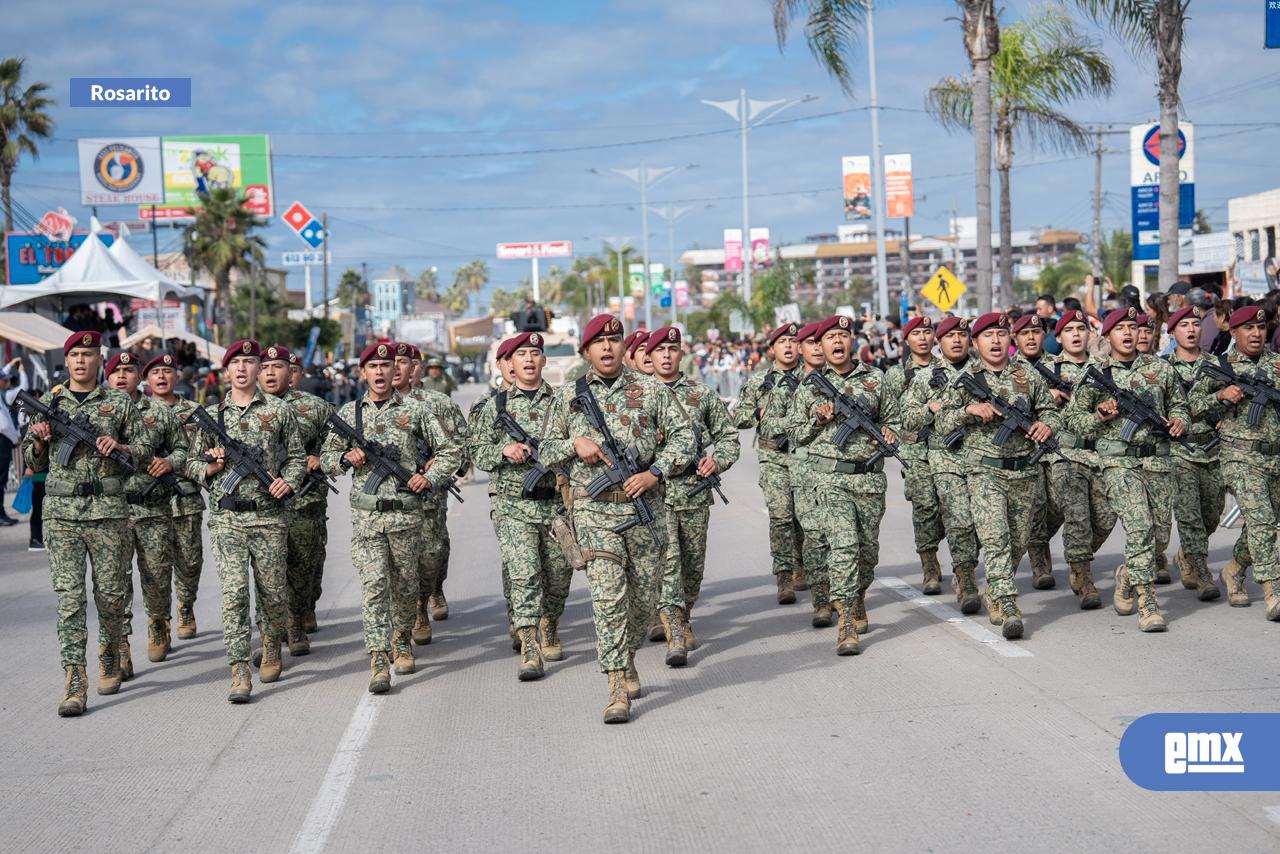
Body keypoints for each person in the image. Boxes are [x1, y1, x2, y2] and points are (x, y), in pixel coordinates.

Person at [539, 314, 694, 724]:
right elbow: (544, 449)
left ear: (625, 348)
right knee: (608, 600)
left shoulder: (650, 390)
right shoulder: (565, 398)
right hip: (593, 511)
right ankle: (615, 687)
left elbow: (685, 437)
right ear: (586, 351)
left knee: (642, 601)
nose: (607, 348)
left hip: (645, 509)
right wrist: (576, 442)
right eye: (599, 342)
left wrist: (655, 472)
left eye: (615, 341)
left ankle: (626, 657)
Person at [321, 342, 463, 693]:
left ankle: (402, 636)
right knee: (372, 588)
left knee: (404, 587)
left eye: (387, 366)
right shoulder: (350, 413)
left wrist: (428, 477)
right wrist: (345, 459)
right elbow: (325, 459)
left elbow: (451, 451)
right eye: (374, 367)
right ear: (363, 372)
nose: (382, 372)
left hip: (406, 516)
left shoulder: (416, 410)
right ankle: (378, 658)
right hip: (367, 518)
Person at [22, 331, 151, 717]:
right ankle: (75, 680)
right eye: (74, 355)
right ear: (67, 361)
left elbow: (144, 449)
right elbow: (34, 462)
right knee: (69, 599)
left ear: (99, 359)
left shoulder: (119, 403)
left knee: (112, 596)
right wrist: (41, 442)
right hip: (62, 513)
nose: (80, 361)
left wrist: (123, 448)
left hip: (108, 511)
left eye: (88, 354)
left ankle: (111, 652)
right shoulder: (50, 402)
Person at [185, 339, 305, 703]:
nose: (242, 369)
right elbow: (189, 464)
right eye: (235, 363)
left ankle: (270, 645)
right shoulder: (212, 416)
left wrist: (289, 479)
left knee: (271, 593)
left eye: (249, 362)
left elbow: (297, 457)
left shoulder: (280, 412)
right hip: (227, 518)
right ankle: (239, 669)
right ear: (226, 372)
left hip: (269, 516)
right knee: (234, 594)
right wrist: (211, 466)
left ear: (258, 369)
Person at [1064, 306, 1188, 633]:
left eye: (1133, 327)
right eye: (1121, 329)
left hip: (1158, 460)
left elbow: (1179, 406)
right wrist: (1100, 416)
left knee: (1160, 536)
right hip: (1118, 461)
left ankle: (1127, 576)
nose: (1129, 333)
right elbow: (1074, 421)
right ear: (1107, 336)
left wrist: (1179, 421)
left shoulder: (1160, 369)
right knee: (1141, 527)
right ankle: (1148, 603)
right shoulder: (1096, 374)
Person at [936, 313, 1059, 640]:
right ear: (976, 343)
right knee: (996, 538)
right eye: (988, 336)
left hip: (1024, 471)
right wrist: (969, 411)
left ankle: (995, 588)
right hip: (984, 471)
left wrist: (1047, 425)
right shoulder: (965, 379)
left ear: (1010, 340)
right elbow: (942, 422)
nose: (995, 341)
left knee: (1019, 540)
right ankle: (1008, 604)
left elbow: (1050, 412)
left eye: (1001, 334)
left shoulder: (1028, 376)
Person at [786, 314, 898, 655]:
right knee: (844, 545)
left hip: (868, 478)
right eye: (830, 337)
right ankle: (846, 621)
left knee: (866, 552)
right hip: (829, 479)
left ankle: (858, 595)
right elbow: (793, 432)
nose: (837, 342)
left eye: (843, 336)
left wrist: (891, 432)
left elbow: (893, 418)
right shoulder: (810, 386)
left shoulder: (876, 379)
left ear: (853, 342)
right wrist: (818, 418)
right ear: (819, 345)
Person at [470, 331, 572, 679]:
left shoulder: (564, 402)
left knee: (558, 575)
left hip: (558, 505)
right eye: (521, 355)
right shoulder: (493, 408)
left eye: (535, 354)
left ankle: (550, 624)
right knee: (525, 574)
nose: (528, 360)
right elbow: (477, 452)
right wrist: (503, 450)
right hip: (513, 505)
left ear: (544, 361)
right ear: (509, 364)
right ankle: (530, 647)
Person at [647, 326, 740, 666]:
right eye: (661, 350)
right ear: (649, 356)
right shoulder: (638, 396)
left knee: (692, 568)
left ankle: (683, 615)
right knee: (668, 562)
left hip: (695, 492)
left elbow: (728, 435)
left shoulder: (701, 395)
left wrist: (717, 460)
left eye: (673, 349)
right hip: (655, 493)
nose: (667, 355)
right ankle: (673, 631)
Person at [1188, 305, 1280, 619]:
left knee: (1263, 526)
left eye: (1261, 328)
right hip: (1239, 456)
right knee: (1263, 522)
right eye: (1248, 329)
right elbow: (1192, 405)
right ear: (1234, 332)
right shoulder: (1220, 364)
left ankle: (1235, 568)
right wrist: (1220, 396)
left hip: (1275, 457)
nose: (1256, 334)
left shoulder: (1277, 364)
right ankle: (1273, 591)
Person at [107, 351, 183, 674]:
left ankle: (157, 622)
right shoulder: (100, 413)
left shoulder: (159, 412)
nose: (122, 376)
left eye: (129, 370)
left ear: (140, 377)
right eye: (116, 371)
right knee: (115, 582)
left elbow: (183, 448)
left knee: (157, 576)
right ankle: (121, 644)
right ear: (107, 378)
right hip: (114, 510)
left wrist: (170, 462)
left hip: (153, 507)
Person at [901, 316, 982, 612]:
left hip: (980, 454)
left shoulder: (983, 372)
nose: (957, 340)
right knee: (940, 513)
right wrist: (929, 409)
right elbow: (904, 418)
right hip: (934, 454)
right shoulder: (920, 377)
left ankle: (967, 566)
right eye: (951, 335)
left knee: (981, 519)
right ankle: (956, 573)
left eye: (963, 335)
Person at [259, 345, 334, 653]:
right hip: (261, 502)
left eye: (277, 367)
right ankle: (275, 627)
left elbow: (339, 441)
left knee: (303, 563)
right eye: (264, 367)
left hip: (305, 499)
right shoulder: (246, 408)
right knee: (267, 568)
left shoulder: (314, 407)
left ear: (291, 373)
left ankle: (297, 617)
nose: (270, 373)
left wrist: (319, 457)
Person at [1045, 310, 1117, 609]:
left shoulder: (1103, 368)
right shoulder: (1047, 369)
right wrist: (1048, 396)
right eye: (1069, 329)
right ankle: (1082, 574)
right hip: (1064, 453)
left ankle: (1078, 555)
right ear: (1059, 337)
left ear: (1090, 334)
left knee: (1106, 516)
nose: (1076, 334)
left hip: (1099, 453)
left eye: (1081, 328)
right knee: (1078, 515)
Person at [729, 324, 805, 605]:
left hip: (805, 455)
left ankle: (803, 564)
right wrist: (758, 412)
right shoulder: (759, 381)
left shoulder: (812, 378)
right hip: (773, 457)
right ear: (772, 349)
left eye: (793, 341)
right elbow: (738, 417)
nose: (788, 346)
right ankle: (784, 576)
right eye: (782, 341)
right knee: (782, 516)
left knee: (805, 517)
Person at [1162, 308, 1225, 601]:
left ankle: (1186, 553)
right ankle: (1202, 572)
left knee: (1212, 514)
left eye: (1195, 324)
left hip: (1212, 448)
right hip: (1179, 450)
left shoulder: (1216, 364)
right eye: (1184, 325)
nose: (1191, 330)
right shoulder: (1162, 368)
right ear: (1172, 332)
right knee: (1189, 515)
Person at [143, 352, 206, 641]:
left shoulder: (195, 411)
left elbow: (207, 448)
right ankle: (158, 621)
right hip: (150, 496)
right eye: (155, 372)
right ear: (147, 379)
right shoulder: (136, 411)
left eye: (168, 371)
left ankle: (185, 606)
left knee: (190, 560)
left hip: (186, 495)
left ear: (177, 377)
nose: (162, 376)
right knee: (155, 565)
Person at [881, 316, 945, 594]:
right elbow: (886, 411)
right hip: (915, 451)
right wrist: (890, 431)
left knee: (952, 509)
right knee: (925, 508)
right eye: (916, 333)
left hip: (948, 448)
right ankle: (929, 565)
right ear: (906, 340)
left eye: (927, 332)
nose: (922, 337)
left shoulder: (946, 369)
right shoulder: (896, 376)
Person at [1010, 314, 1058, 590]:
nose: (1031, 337)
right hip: (1025, 449)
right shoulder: (1009, 369)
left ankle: (1037, 542)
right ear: (1015, 338)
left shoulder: (1059, 366)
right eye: (1024, 332)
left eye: (1036, 332)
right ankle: (1039, 559)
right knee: (1036, 504)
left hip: (1058, 445)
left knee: (1060, 504)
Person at [788, 321, 831, 625]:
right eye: (811, 343)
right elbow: (787, 430)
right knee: (814, 535)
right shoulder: (789, 387)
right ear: (800, 348)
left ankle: (845, 592)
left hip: (836, 470)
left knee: (840, 536)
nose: (818, 348)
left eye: (821, 342)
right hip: (803, 469)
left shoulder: (844, 382)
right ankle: (822, 599)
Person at [0, 358, 26, 526]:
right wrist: (15, 438)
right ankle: (0, 515)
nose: (7, 380)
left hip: (4, 440)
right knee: (0, 481)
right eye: (4, 379)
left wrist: (12, 363)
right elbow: (2, 425)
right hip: (3, 440)